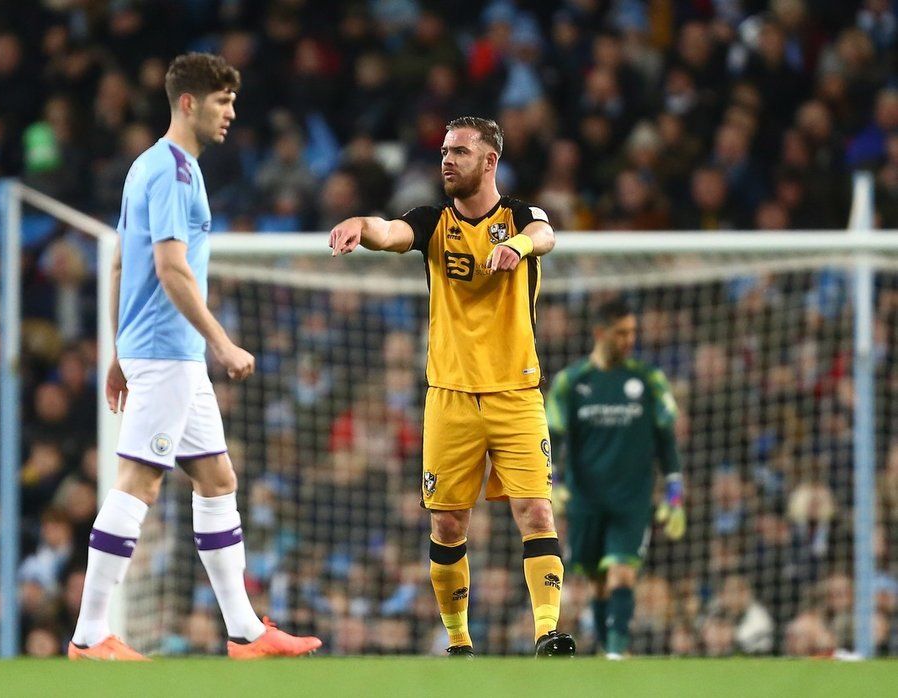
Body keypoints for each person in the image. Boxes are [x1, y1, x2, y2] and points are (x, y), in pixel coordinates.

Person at [68, 53, 321, 661]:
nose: (231, 113)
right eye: (222, 101)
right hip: (170, 350)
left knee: (216, 477)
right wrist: (223, 342)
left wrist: (118, 350)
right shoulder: (176, 173)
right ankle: (89, 634)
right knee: (140, 481)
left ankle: (246, 633)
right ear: (189, 102)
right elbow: (169, 267)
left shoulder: (146, 167)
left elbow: (121, 262)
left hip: (153, 349)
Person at [329, 116, 575, 657]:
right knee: (446, 522)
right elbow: (392, 232)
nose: (446, 160)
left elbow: (546, 233)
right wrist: (361, 225)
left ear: (489, 161)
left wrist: (518, 248)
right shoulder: (432, 220)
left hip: (516, 394)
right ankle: (460, 642)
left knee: (536, 511)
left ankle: (548, 633)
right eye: (444, 151)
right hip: (451, 396)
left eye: (460, 151)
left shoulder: (518, 216)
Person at [545, 298, 686, 659]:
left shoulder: (648, 380)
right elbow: (552, 438)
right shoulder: (571, 383)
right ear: (600, 333)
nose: (629, 340)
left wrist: (674, 492)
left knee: (622, 572)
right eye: (621, 333)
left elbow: (667, 439)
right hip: (586, 499)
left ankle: (616, 652)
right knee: (597, 581)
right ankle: (609, 649)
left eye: (633, 332)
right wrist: (554, 482)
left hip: (632, 499)